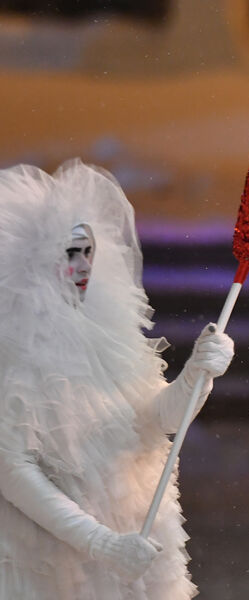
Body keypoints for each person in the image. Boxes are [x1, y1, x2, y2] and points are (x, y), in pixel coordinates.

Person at [0, 160, 234, 599]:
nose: (83, 266)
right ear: (32, 258)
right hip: (53, 556)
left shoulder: (105, 328)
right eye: (69, 253)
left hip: (128, 534)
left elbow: (157, 419)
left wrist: (198, 375)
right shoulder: (12, 347)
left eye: (87, 251)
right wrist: (100, 542)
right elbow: (12, 469)